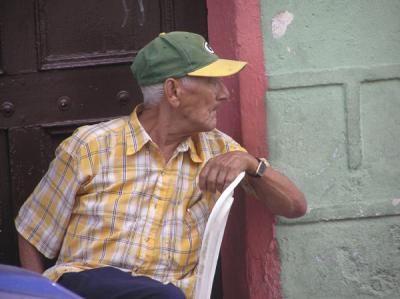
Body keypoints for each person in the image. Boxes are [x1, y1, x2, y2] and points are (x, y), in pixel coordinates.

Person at [15, 31, 307, 299]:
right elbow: (31, 232)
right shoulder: (90, 146)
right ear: (173, 91)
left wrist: (251, 164)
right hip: (87, 288)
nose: (224, 94)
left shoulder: (218, 149)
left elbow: (295, 206)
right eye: (211, 82)